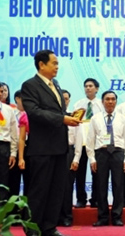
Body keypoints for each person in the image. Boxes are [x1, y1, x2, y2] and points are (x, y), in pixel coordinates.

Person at [21, 49, 81, 236]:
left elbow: (55, 112)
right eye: (54, 63)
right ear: (41, 64)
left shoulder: (55, 83)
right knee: (39, 190)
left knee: (56, 190)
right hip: (42, 147)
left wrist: (70, 116)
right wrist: (62, 119)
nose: (57, 66)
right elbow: (34, 112)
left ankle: (49, 227)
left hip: (60, 146)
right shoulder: (30, 85)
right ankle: (32, 228)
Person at [86, 91, 125, 227]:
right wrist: (92, 159)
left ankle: (117, 216)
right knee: (101, 186)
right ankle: (103, 217)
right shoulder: (95, 118)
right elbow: (90, 141)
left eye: (113, 99)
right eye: (107, 99)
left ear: (116, 102)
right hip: (101, 153)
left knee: (119, 186)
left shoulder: (123, 119)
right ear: (102, 101)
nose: (110, 102)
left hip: (118, 153)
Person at [72, 78, 103, 208]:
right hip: (82, 142)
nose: (88, 88)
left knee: (97, 171)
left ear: (97, 88)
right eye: (86, 86)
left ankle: (96, 198)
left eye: (91, 86)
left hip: (98, 143)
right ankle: (81, 198)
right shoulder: (79, 104)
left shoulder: (102, 104)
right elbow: (74, 123)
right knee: (80, 172)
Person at [59, 89, 76, 227]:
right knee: (53, 186)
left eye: (66, 98)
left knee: (66, 186)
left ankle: (67, 216)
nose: (64, 100)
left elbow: (79, 138)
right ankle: (54, 216)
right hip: (54, 151)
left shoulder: (74, 115)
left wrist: (76, 158)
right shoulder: (53, 115)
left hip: (69, 151)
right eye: (62, 98)